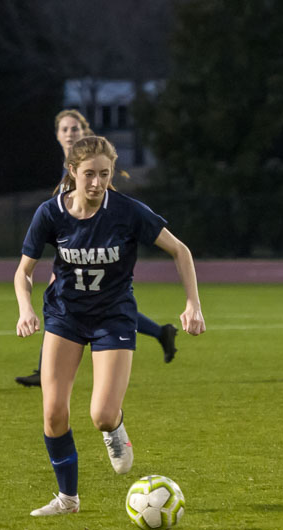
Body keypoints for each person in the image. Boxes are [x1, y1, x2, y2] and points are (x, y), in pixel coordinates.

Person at [14, 135, 205, 516]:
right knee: (53, 414)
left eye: (104, 174)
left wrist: (193, 304)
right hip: (65, 316)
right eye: (89, 174)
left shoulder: (127, 211)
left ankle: (115, 429)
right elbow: (24, 272)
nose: (97, 183)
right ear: (73, 172)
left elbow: (180, 250)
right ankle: (68, 499)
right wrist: (25, 309)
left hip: (113, 317)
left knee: (101, 414)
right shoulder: (50, 214)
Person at [14, 109, 177, 388]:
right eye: (64, 129)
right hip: (73, 248)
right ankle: (48, 370)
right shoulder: (57, 195)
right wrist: (25, 308)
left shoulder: (93, 159)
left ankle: (159, 333)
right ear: (57, 134)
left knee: (92, 298)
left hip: (95, 248)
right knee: (66, 301)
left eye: (74, 129)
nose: (69, 134)